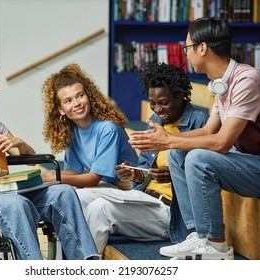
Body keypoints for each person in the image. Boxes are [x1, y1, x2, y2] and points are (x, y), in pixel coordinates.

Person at [129, 17, 260, 260]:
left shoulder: (246, 81)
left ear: (202, 48)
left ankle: (216, 245)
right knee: (179, 153)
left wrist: (168, 141)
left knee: (197, 158)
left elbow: (221, 142)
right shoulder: (221, 83)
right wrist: (168, 138)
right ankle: (197, 235)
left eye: (187, 48)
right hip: (252, 160)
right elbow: (209, 131)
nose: (186, 54)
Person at [0, 57, 100, 260]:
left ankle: (86, 263)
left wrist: (17, 143)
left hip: (2, 188)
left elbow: (27, 156)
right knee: (17, 205)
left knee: (63, 193)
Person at [74, 62, 208, 254]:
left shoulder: (198, 122)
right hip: (145, 197)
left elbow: (204, 174)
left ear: (179, 96)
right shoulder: (154, 122)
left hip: (170, 211)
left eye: (163, 102)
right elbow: (144, 171)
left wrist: (173, 175)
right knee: (76, 196)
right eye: (153, 103)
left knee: (100, 208)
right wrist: (134, 173)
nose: (157, 109)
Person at [41, 63, 138, 188]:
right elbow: (74, 171)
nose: (76, 103)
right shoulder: (71, 131)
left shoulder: (108, 128)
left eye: (80, 96)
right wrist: (52, 174)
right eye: (68, 101)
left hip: (127, 186)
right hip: (106, 184)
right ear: (61, 109)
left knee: (73, 196)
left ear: (89, 96)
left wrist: (55, 178)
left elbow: (93, 178)